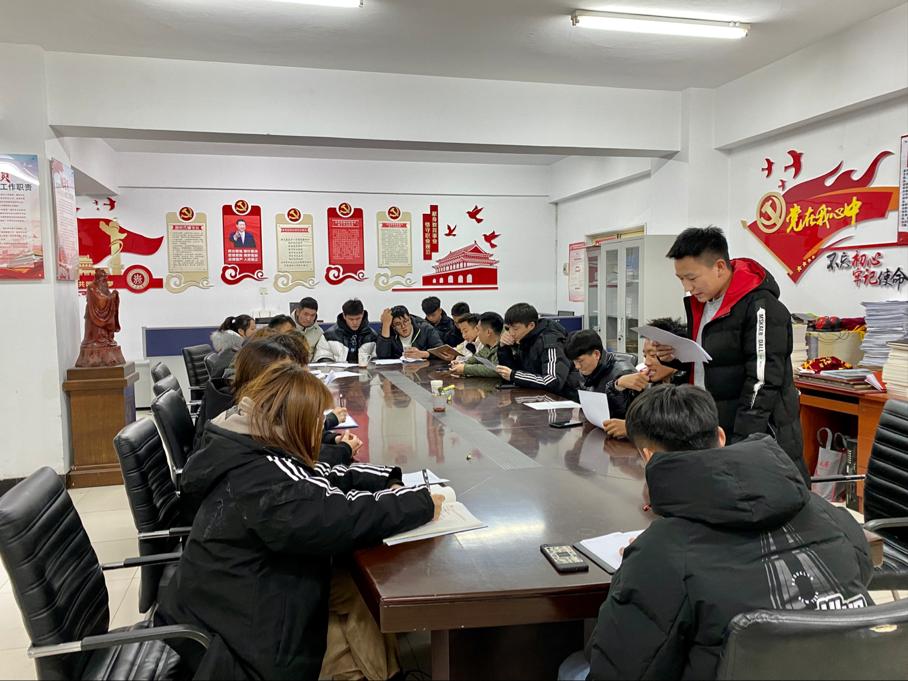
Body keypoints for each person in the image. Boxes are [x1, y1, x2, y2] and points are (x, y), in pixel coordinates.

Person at [561, 384, 873, 681]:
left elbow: (618, 669)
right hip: (850, 668)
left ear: (647, 456)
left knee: (573, 667)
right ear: (721, 437)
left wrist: (641, 562)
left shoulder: (662, 551)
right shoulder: (831, 515)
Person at [158, 363, 442, 680]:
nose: (321, 429)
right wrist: (419, 502)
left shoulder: (249, 447)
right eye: (317, 420)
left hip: (235, 602)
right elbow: (338, 515)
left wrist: (386, 480)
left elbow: (316, 478)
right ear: (295, 422)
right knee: (354, 597)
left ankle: (388, 672)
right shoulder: (265, 479)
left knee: (355, 588)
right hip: (237, 647)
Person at [654, 227, 807, 482]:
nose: (687, 287)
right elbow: (716, 358)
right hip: (711, 425)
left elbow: (762, 382)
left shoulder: (760, 306)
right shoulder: (704, 304)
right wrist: (675, 357)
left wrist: (740, 443)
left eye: (692, 278)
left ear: (719, 267)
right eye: (681, 279)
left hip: (754, 435)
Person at [601, 317, 690, 439]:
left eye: (653, 355)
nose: (647, 362)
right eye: (645, 355)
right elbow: (621, 417)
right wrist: (618, 386)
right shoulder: (648, 384)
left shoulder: (689, 388)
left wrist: (634, 430)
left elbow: (680, 428)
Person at [496, 303, 579, 399]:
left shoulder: (550, 341)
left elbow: (553, 381)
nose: (511, 333)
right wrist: (504, 348)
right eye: (508, 328)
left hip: (561, 399)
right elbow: (514, 370)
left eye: (515, 329)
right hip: (538, 396)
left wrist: (514, 375)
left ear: (531, 325)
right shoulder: (525, 339)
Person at [564, 330, 644, 419]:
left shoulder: (624, 373)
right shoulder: (588, 369)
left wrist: (616, 388)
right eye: (574, 361)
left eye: (580, 361)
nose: (577, 366)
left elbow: (623, 413)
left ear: (596, 354)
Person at [377, 305, 443, 360]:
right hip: (398, 369)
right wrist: (385, 325)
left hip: (424, 369)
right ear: (393, 326)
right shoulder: (388, 330)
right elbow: (382, 356)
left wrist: (423, 354)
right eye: (398, 324)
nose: (403, 326)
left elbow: (441, 351)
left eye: (405, 321)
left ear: (410, 319)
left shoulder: (425, 328)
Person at [324, 298, 378, 363]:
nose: (355, 323)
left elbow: (376, 360)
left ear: (363, 314)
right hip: (338, 369)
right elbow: (323, 357)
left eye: (358, 318)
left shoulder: (372, 336)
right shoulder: (328, 336)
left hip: (365, 369)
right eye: (351, 319)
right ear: (344, 316)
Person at [451, 311, 502, 379]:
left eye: (478, 330)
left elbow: (495, 369)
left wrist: (465, 368)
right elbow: (478, 357)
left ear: (488, 332)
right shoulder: (488, 346)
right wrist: (463, 363)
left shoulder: (504, 346)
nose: (477, 333)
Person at [209, 314, 256, 379]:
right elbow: (232, 380)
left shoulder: (237, 348)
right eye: (252, 329)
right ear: (241, 331)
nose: (256, 331)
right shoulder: (233, 352)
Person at [292, 296, 334, 362]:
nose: (308, 318)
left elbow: (319, 355)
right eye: (305, 314)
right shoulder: (284, 326)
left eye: (312, 315)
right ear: (298, 312)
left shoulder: (319, 332)